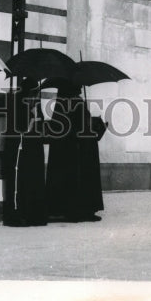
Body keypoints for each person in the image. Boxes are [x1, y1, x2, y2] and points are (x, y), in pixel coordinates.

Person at [45, 81, 107, 222]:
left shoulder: (60, 102)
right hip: (80, 148)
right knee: (81, 179)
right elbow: (81, 125)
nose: (80, 88)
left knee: (69, 179)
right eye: (78, 85)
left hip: (67, 149)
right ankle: (82, 211)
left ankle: (66, 210)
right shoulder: (76, 101)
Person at [2, 76, 48, 227]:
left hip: (34, 147)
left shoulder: (35, 102)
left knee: (34, 180)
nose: (35, 95)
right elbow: (23, 129)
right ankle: (20, 214)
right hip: (22, 148)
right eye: (34, 92)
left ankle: (34, 214)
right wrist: (34, 117)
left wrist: (39, 118)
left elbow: (40, 126)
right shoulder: (17, 102)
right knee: (22, 181)